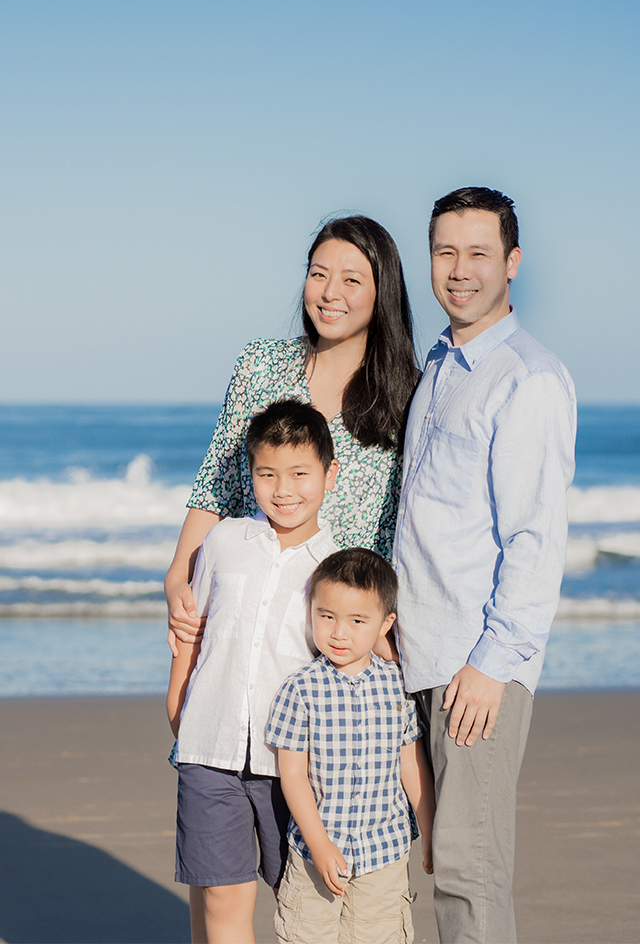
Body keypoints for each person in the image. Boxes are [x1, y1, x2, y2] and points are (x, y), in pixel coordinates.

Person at [391, 187, 576, 943]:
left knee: (468, 871)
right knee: (419, 859)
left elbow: (537, 538)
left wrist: (492, 663)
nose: (458, 270)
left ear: (513, 263)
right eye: (444, 252)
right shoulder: (439, 364)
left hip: (473, 667)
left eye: (477, 254)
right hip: (415, 654)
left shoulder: (527, 378)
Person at [164, 215, 419, 651]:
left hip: (344, 639)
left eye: (351, 280)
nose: (329, 292)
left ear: (383, 293)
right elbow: (218, 482)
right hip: (249, 619)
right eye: (318, 274)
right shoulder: (259, 365)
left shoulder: (409, 395)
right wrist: (177, 578)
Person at [166, 400, 339, 944]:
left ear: (329, 476)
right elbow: (193, 626)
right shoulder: (223, 542)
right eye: (267, 474)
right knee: (221, 898)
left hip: (293, 764)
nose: (283, 490)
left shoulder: (335, 566)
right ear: (251, 473)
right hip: (210, 749)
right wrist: (177, 703)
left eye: (299, 474)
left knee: (304, 902)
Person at [267, 547, 435, 944]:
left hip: (385, 851)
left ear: (384, 623)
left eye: (357, 620)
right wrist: (319, 844)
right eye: (326, 617)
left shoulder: (397, 685)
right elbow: (292, 775)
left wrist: (429, 830)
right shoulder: (300, 688)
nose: (339, 633)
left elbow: (411, 766)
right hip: (317, 852)